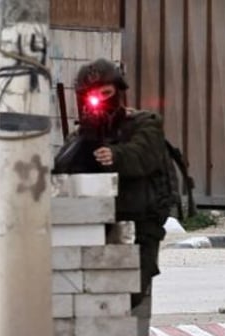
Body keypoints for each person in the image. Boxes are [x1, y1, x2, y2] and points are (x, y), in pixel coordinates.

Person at [54, 58, 169, 308]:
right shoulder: (81, 135)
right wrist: (86, 140)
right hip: (94, 222)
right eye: (93, 96)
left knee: (131, 292)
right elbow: (60, 169)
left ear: (118, 90)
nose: (100, 101)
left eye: (106, 93)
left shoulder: (145, 124)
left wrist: (115, 156)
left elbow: (142, 155)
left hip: (138, 222)